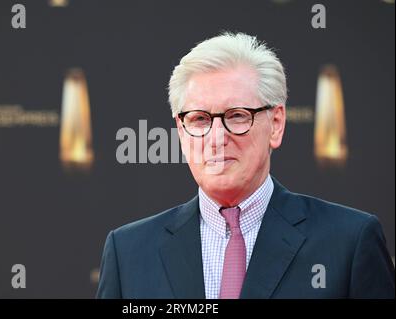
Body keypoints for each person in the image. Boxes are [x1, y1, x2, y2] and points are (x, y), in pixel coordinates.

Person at [96, 32, 395, 299]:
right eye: (199, 119)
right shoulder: (129, 252)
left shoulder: (349, 242)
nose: (216, 137)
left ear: (276, 124)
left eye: (237, 116)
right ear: (180, 131)